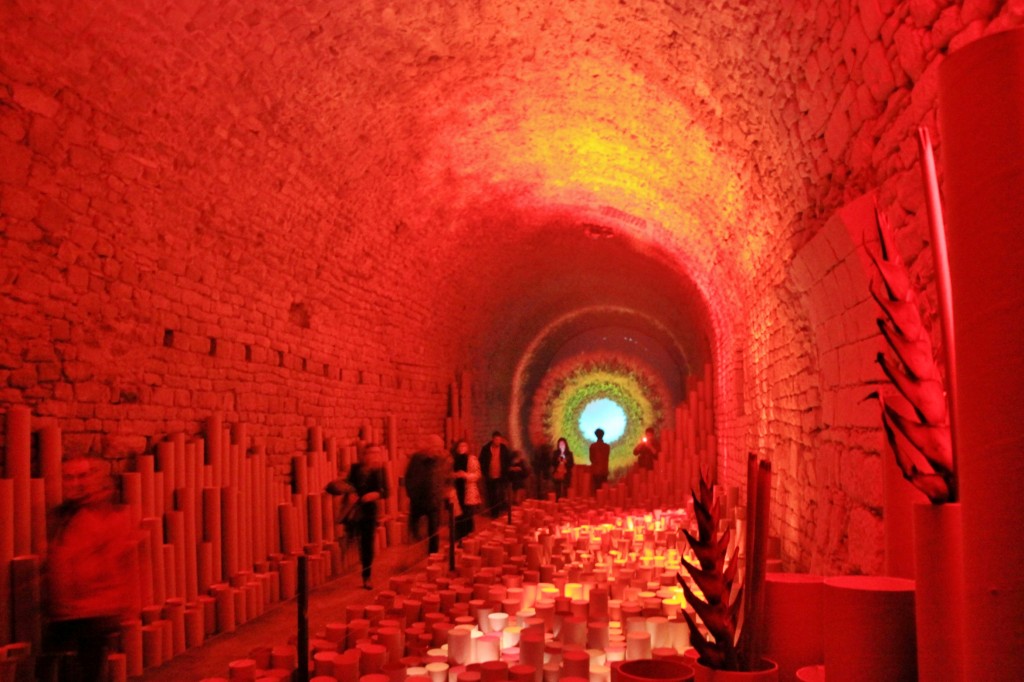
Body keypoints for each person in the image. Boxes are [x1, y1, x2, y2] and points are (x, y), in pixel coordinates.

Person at [42, 456, 141, 682]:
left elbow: (123, 564)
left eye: (82, 476)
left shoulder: (107, 514)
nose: (76, 483)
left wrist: (127, 607)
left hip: (93, 613)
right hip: (65, 612)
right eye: (69, 477)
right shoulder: (62, 515)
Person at [325, 443, 388, 589]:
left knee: (367, 546)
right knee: (348, 540)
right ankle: (341, 568)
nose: (374, 456)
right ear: (364, 455)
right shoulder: (355, 468)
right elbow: (347, 484)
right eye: (371, 453)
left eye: (376, 453)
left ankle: (366, 576)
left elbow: (386, 491)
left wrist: (375, 495)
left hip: (369, 513)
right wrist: (346, 490)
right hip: (354, 511)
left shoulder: (380, 470)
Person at [405, 434, 452, 554]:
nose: (438, 450)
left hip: (434, 501)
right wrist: (412, 495)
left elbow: (448, 477)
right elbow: (409, 478)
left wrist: (446, 490)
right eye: (436, 447)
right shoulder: (417, 459)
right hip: (418, 500)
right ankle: (414, 551)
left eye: (440, 448)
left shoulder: (443, 460)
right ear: (429, 447)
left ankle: (433, 558)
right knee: (414, 530)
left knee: (434, 532)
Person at [451, 439, 482, 542]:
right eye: (460, 446)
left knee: (468, 514)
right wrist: (455, 475)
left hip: (467, 489)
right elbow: (449, 474)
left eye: (464, 446)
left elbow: (477, 475)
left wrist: (465, 475)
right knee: (457, 514)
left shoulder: (471, 459)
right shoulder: (453, 460)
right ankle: (459, 536)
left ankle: (469, 536)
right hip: (457, 490)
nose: (462, 448)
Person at [479, 431, 511, 518]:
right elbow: (481, 461)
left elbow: (508, 460)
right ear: (493, 439)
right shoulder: (486, 449)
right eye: (496, 439)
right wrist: (484, 472)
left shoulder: (504, 448)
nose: (498, 441)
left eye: (499, 439)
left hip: (501, 475)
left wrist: (506, 471)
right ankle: (494, 513)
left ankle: (500, 511)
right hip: (490, 476)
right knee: (491, 495)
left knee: (500, 494)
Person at [589, 428, 610, 494]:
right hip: (604, 470)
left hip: (596, 471)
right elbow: (606, 458)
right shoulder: (607, 446)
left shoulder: (592, 446)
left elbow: (591, 458)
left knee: (597, 490)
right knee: (604, 491)